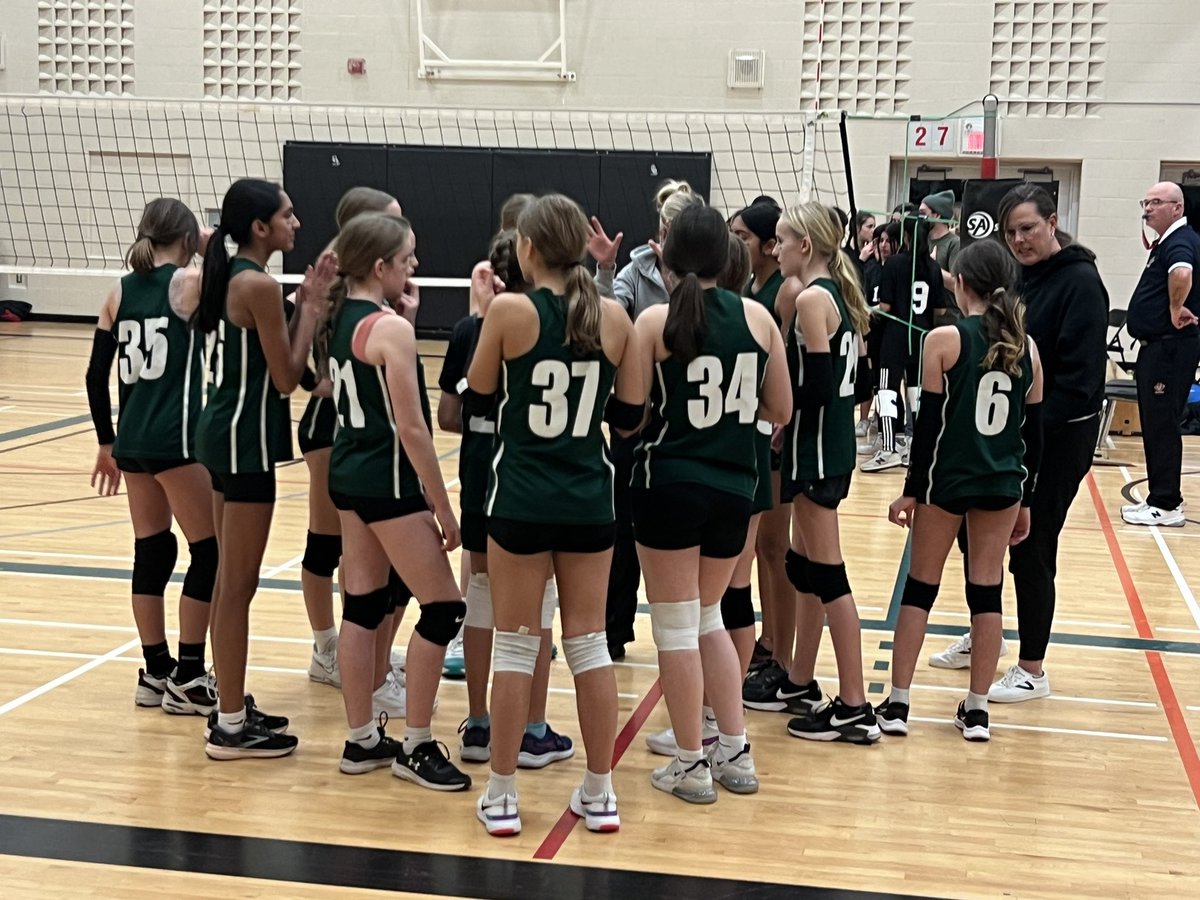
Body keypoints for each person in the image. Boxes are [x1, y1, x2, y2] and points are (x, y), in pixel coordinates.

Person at [468, 194, 644, 836]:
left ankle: (504, 795)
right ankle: (600, 793)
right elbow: (628, 420)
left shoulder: (509, 311)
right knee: (589, 645)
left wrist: (484, 318)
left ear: (528, 249)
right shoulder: (616, 319)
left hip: (518, 497)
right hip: (589, 499)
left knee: (516, 645)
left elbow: (478, 396)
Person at [631, 205, 790, 802]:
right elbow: (780, 411)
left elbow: (630, 416)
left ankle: (691, 761)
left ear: (666, 258)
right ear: (729, 259)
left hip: (669, 485)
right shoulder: (759, 317)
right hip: (735, 489)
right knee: (709, 620)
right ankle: (736, 751)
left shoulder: (654, 320)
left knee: (676, 628)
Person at [932, 184, 1109, 703]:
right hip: (1007, 435)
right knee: (976, 535)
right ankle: (986, 630)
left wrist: (1027, 432)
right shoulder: (1018, 281)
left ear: (1052, 223)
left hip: (1057, 436)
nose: (1019, 239)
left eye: (1028, 228)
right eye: (1011, 232)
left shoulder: (1081, 283)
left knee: (1031, 545)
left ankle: (1032, 666)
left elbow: (1078, 380)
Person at [317, 211, 471, 786]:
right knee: (444, 608)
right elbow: (412, 429)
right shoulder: (390, 332)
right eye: (407, 259)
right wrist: (443, 507)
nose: (415, 267)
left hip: (350, 476)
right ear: (379, 266)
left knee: (361, 606)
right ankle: (417, 744)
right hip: (388, 485)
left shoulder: (338, 317)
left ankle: (361, 741)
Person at [193, 179, 335, 759]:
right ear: (260, 228)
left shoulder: (231, 275)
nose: (296, 223)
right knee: (238, 586)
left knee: (230, 581)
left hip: (221, 430)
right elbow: (286, 375)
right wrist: (312, 308)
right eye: (288, 215)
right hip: (243, 439)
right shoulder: (255, 284)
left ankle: (228, 700)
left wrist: (300, 306)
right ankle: (229, 725)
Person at [880, 239, 1043, 741]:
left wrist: (911, 490)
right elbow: (1033, 436)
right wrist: (1028, 501)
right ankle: (977, 712)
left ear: (959, 281)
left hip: (947, 479)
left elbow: (928, 428)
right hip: (1003, 482)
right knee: (986, 591)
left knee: (921, 587)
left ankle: (899, 704)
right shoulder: (1027, 345)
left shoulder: (944, 339)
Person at [438, 227, 574, 770]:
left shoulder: (472, 329)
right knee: (536, 609)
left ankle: (478, 723)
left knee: (480, 595)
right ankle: (533, 729)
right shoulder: (561, 325)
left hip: (479, 475)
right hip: (528, 479)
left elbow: (449, 415)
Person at [85, 198, 219, 716]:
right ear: (186, 238)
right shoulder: (187, 281)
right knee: (208, 552)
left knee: (154, 551)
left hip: (133, 441)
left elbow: (97, 376)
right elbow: (238, 283)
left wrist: (105, 441)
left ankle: (154, 669)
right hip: (177, 440)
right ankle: (188, 674)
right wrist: (212, 251)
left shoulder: (119, 290)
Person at [770, 201, 880, 744]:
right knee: (804, 567)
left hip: (816, 450)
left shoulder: (813, 298)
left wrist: (777, 413)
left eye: (783, 240)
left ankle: (856, 705)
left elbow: (814, 385)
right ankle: (799, 678)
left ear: (805, 247)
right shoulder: (833, 294)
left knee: (829, 577)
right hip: (824, 447)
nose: (776, 249)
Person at [300, 186, 407, 695]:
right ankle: (330, 649)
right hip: (331, 426)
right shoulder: (330, 281)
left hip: (359, 428)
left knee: (375, 562)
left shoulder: (374, 296)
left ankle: (366, 654)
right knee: (328, 548)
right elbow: (306, 372)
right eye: (392, 222)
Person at [590, 179, 702, 661]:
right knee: (622, 535)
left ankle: (686, 636)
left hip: (687, 421)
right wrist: (605, 268)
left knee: (681, 537)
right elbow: (607, 316)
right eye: (667, 225)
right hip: (636, 419)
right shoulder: (636, 271)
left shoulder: (710, 277)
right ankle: (614, 632)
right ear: (661, 226)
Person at [730, 198, 802, 700]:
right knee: (759, 547)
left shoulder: (785, 293)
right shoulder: (750, 288)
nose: (736, 244)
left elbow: (790, 373)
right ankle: (763, 639)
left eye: (742, 236)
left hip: (777, 432)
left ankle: (780, 652)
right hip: (753, 432)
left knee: (776, 547)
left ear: (770, 245)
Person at [1121, 181, 1200, 527]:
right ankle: (1157, 497)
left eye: (1156, 202)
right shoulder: (1166, 241)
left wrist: (1175, 307)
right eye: (1146, 201)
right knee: (1154, 424)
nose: (1148, 208)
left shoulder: (1180, 240)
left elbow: (1182, 272)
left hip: (1171, 347)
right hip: (1159, 348)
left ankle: (1167, 504)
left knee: (1163, 424)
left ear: (1177, 208)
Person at [861, 213, 945, 472]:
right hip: (922, 335)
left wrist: (867, 309)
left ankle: (888, 450)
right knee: (916, 392)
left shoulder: (895, 264)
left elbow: (885, 305)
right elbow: (940, 310)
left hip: (896, 335)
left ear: (905, 236)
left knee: (886, 389)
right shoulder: (932, 267)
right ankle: (912, 447)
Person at [921, 190, 961, 293]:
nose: (919, 218)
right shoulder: (922, 240)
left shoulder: (954, 243)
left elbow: (957, 285)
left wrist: (933, 266)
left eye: (923, 213)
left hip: (948, 308)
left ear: (937, 215)